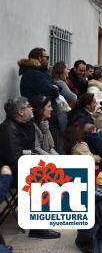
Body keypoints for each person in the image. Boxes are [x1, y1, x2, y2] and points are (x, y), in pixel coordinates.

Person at [0, 98, 61, 239]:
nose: (32, 108)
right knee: (42, 179)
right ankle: (37, 227)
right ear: (20, 112)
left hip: (23, 166)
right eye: (28, 106)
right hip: (9, 172)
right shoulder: (8, 129)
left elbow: (33, 149)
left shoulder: (28, 125)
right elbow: (14, 160)